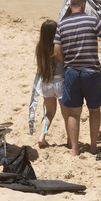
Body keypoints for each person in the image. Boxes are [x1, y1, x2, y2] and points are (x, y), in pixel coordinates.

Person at [53, 0, 101, 156]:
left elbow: (57, 51)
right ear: (84, 6)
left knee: (74, 112)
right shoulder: (92, 21)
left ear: (69, 6)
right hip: (91, 72)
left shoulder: (61, 25)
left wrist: (67, 63)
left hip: (72, 72)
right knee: (94, 110)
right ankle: (93, 146)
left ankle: (75, 150)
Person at [35, 19, 67, 148]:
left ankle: (42, 136)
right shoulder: (59, 46)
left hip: (46, 81)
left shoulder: (40, 47)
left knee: (49, 113)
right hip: (60, 81)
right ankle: (71, 140)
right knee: (67, 114)